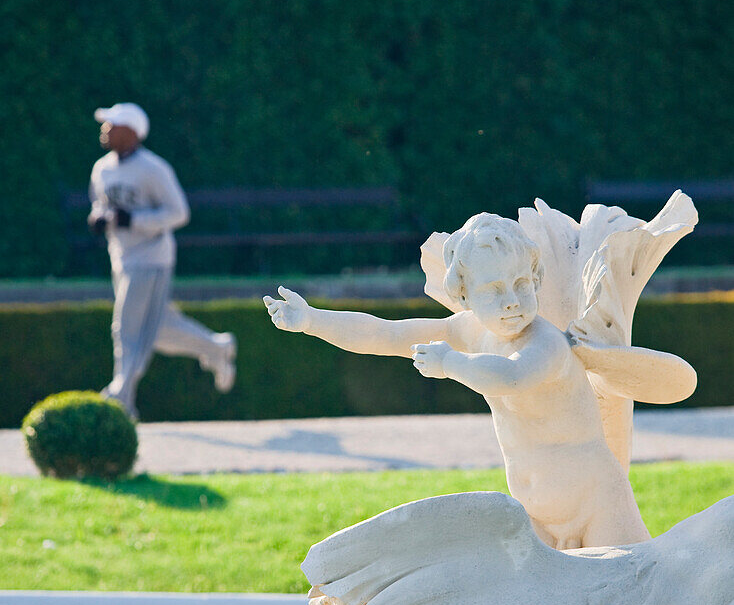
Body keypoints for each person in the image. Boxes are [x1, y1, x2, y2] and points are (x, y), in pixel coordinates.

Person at [265, 212, 696, 550]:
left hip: (597, 501)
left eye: (522, 284)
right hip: (535, 511)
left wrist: (452, 364)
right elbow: (385, 333)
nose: (512, 301)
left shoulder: (546, 343)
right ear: (465, 296)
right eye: (494, 290)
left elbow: (512, 376)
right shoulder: (466, 331)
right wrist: (312, 320)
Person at [88, 102, 236, 419]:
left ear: (131, 133)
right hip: (122, 259)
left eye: (112, 124)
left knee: (126, 327)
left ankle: (120, 397)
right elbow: (100, 206)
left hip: (151, 259)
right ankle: (217, 348)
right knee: (159, 330)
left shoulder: (153, 169)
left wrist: (134, 220)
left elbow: (179, 213)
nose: (106, 129)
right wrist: (100, 218)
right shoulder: (102, 168)